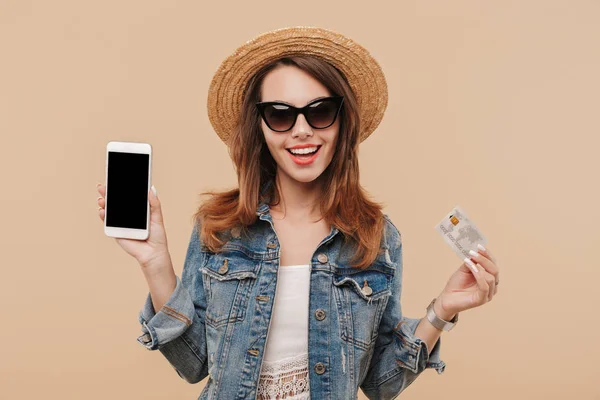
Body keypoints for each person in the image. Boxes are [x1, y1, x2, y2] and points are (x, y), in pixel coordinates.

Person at [96, 26, 500, 399]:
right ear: (260, 127)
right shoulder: (221, 228)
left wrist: (442, 310)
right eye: (280, 114)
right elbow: (193, 364)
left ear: (342, 123)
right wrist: (155, 261)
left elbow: (379, 384)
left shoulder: (376, 237)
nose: (302, 130)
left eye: (320, 111)